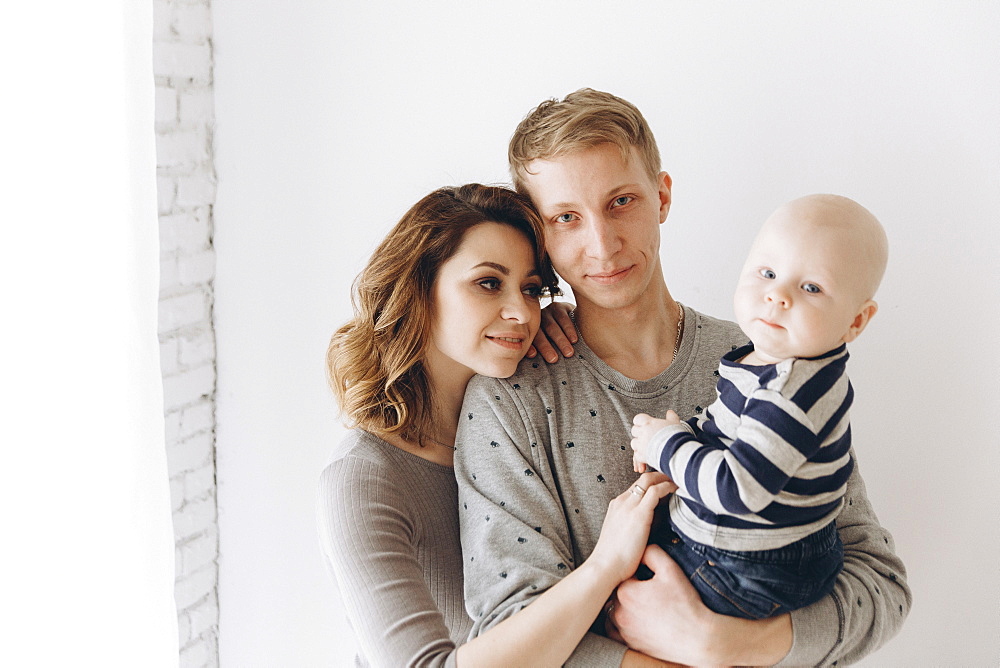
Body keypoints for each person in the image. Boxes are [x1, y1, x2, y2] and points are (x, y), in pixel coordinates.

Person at [454, 89, 911, 666]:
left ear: (662, 196)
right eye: (566, 218)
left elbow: (880, 584)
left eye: (621, 202)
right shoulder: (509, 400)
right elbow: (509, 632)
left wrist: (724, 646)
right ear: (540, 235)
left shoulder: (770, 357)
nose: (602, 244)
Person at [318, 183, 676, 668]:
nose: (521, 313)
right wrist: (604, 566)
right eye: (489, 283)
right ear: (419, 290)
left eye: (532, 290)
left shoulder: (525, 421)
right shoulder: (365, 479)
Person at [629, 194, 888, 621]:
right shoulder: (774, 360)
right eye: (767, 273)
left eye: (811, 288)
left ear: (856, 321)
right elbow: (733, 432)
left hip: (750, 567)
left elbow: (737, 489)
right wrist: (689, 434)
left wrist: (666, 446)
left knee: (623, 609)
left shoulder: (792, 391)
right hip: (764, 552)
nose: (777, 296)